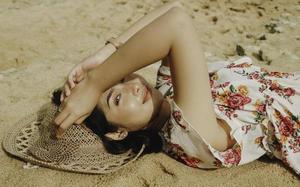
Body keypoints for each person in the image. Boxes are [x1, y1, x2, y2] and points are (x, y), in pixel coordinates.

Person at [54, 1, 300, 174]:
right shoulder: (185, 133)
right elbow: (177, 24)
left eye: (121, 78)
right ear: (117, 133)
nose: (133, 86)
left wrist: (108, 53)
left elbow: (175, 7)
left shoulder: (168, 90)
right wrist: (95, 83)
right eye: (116, 98)